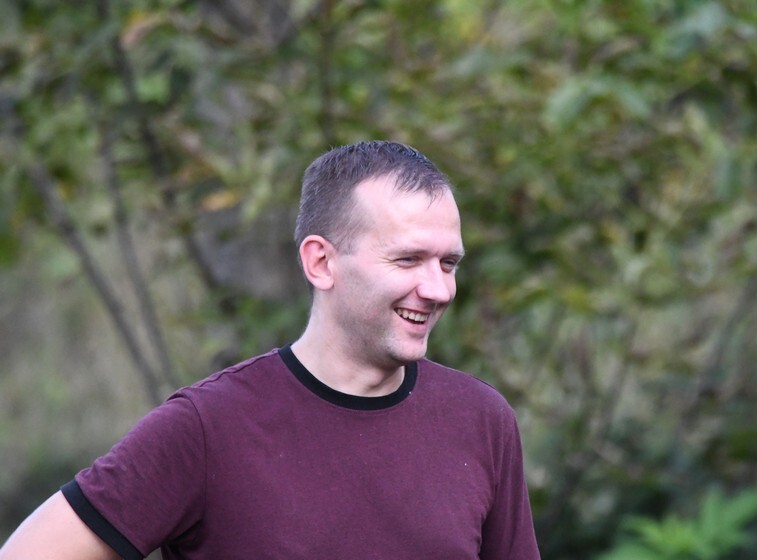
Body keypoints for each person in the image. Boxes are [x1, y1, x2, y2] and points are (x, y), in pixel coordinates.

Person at [0, 141, 540, 559]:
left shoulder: (480, 420)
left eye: (448, 263)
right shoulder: (208, 428)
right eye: (408, 260)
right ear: (321, 262)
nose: (439, 289)